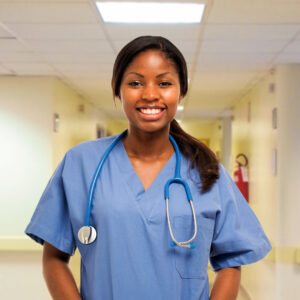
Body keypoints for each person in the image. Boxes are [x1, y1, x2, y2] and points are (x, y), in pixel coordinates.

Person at [25, 36, 271, 300]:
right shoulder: (80, 164)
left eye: (164, 83)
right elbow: (54, 258)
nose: (150, 94)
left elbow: (231, 261)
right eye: (135, 83)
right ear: (117, 90)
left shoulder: (207, 171)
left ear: (181, 91)